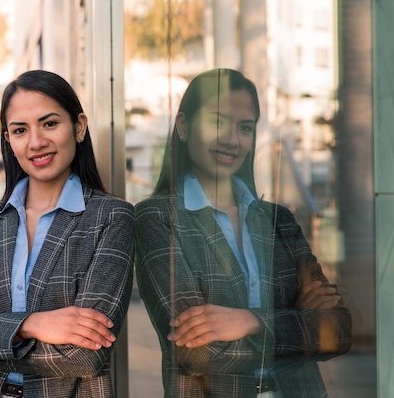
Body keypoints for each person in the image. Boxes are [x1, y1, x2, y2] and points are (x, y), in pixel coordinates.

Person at [134, 68, 351, 397]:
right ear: (183, 126)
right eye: (217, 122)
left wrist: (250, 320)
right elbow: (199, 352)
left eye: (245, 127)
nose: (232, 139)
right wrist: (297, 318)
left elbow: (337, 330)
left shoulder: (279, 220)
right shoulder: (158, 218)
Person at [0, 69, 134, 397]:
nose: (36, 142)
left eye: (50, 124)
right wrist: (32, 324)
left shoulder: (113, 218)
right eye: (20, 130)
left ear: (78, 127)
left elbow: (86, 355)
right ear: (9, 140)